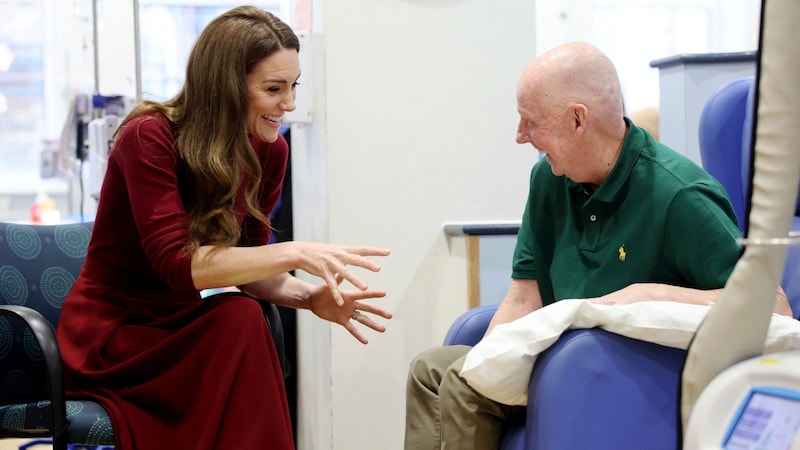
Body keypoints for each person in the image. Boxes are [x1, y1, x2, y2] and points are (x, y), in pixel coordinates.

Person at [403, 41, 792, 450]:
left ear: (577, 120)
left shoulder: (680, 195)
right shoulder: (548, 179)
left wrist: (651, 295)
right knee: (432, 371)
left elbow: (773, 305)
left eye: (530, 121)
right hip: (552, 363)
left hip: (622, 375)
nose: (521, 136)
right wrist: (490, 360)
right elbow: (524, 296)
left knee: (467, 390)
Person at [56, 6, 391, 450]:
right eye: (274, 89)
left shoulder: (269, 153)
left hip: (179, 325)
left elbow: (251, 270)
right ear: (226, 86)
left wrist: (311, 298)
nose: (288, 104)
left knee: (241, 315)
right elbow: (180, 265)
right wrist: (293, 252)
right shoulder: (148, 137)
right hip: (116, 336)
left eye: (293, 87)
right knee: (240, 321)